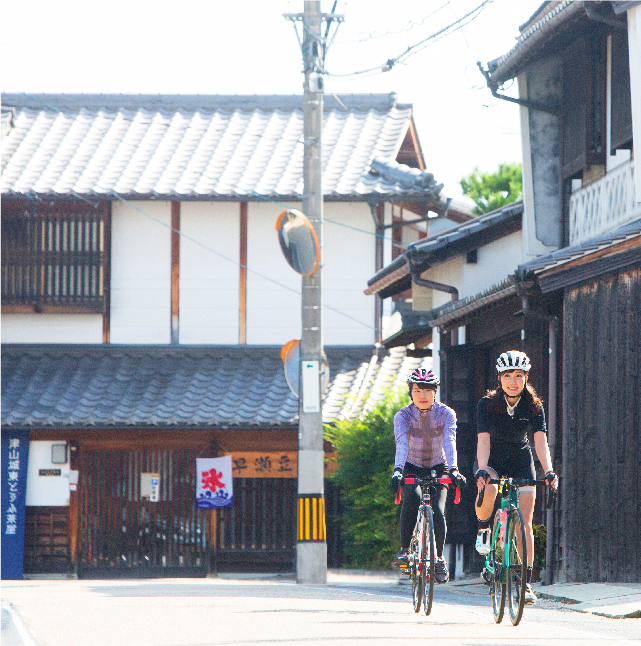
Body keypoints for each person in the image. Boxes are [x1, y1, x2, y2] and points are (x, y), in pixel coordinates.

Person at [474, 350, 559, 605]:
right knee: (488, 486)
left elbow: (540, 442)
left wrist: (549, 471)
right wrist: (482, 469)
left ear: (526, 378)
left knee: (525, 523)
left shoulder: (534, 405)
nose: (513, 381)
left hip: (521, 459)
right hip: (493, 457)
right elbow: (483, 440)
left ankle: (525, 583)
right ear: (499, 378)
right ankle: (484, 529)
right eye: (508, 375)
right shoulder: (486, 404)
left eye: (519, 375)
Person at [389, 368, 466, 584]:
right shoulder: (402, 416)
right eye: (418, 390)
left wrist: (454, 469)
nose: (423, 395)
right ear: (411, 393)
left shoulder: (446, 413)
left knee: (439, 510)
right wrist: (397, 470)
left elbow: (450, 442)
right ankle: (405, 549)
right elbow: (401, 444)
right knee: (412, 498)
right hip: (411, 465)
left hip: (438, 465)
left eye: (428, 390)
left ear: (435, 392)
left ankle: (439, 558)